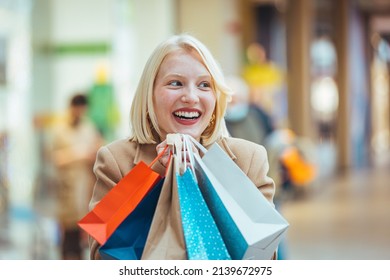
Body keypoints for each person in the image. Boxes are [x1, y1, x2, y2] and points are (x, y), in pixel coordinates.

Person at [88, 34, 276, 259]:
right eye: (175, 83)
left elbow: (263, 255)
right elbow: (101, 257)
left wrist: (208, 176)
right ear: (150, 93)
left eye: (204, 85)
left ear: (216, 98)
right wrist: (157, 176)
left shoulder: (249, 159)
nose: (191, 97)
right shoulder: (115, 160)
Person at [50, 93, 103, 259]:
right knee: (69, 236)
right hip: (67, 189)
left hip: (86, 188)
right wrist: (78, 154)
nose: (80, 113)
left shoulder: (89, 127)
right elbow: (56, 158)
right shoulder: (60, 130)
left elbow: (100, 149)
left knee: (86, 238)